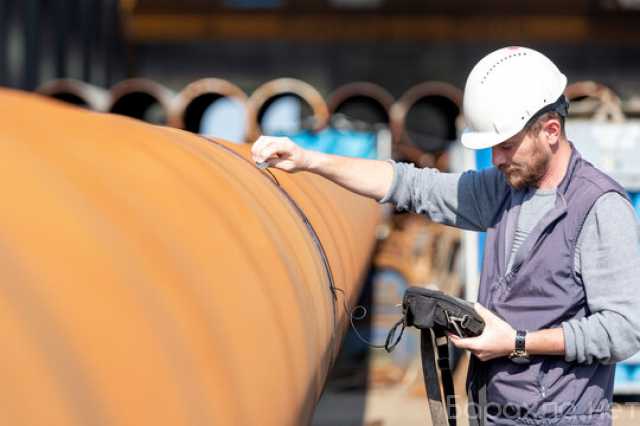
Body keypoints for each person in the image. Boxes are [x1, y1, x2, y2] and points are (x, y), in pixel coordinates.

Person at [251, 46, 640, 425]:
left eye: (505, 146)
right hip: (493, 411)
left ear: (551, 131)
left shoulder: (600, 208)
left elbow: (624, 330)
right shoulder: (504, 190)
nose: (497, 160)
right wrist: (309, 160)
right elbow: (410, 185)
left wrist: (518, 342)